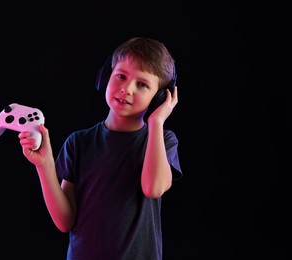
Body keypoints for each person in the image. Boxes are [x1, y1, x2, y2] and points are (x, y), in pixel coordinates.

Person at [18, 37, 182, 259]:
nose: (126, 89)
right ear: (105, 77)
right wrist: (44, 165)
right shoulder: (79, 143)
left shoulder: (163, 140)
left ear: (160, 98)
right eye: (121, 76)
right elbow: (65, 222)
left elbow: (153, 188)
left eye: (142, 84)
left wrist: (156, 122)